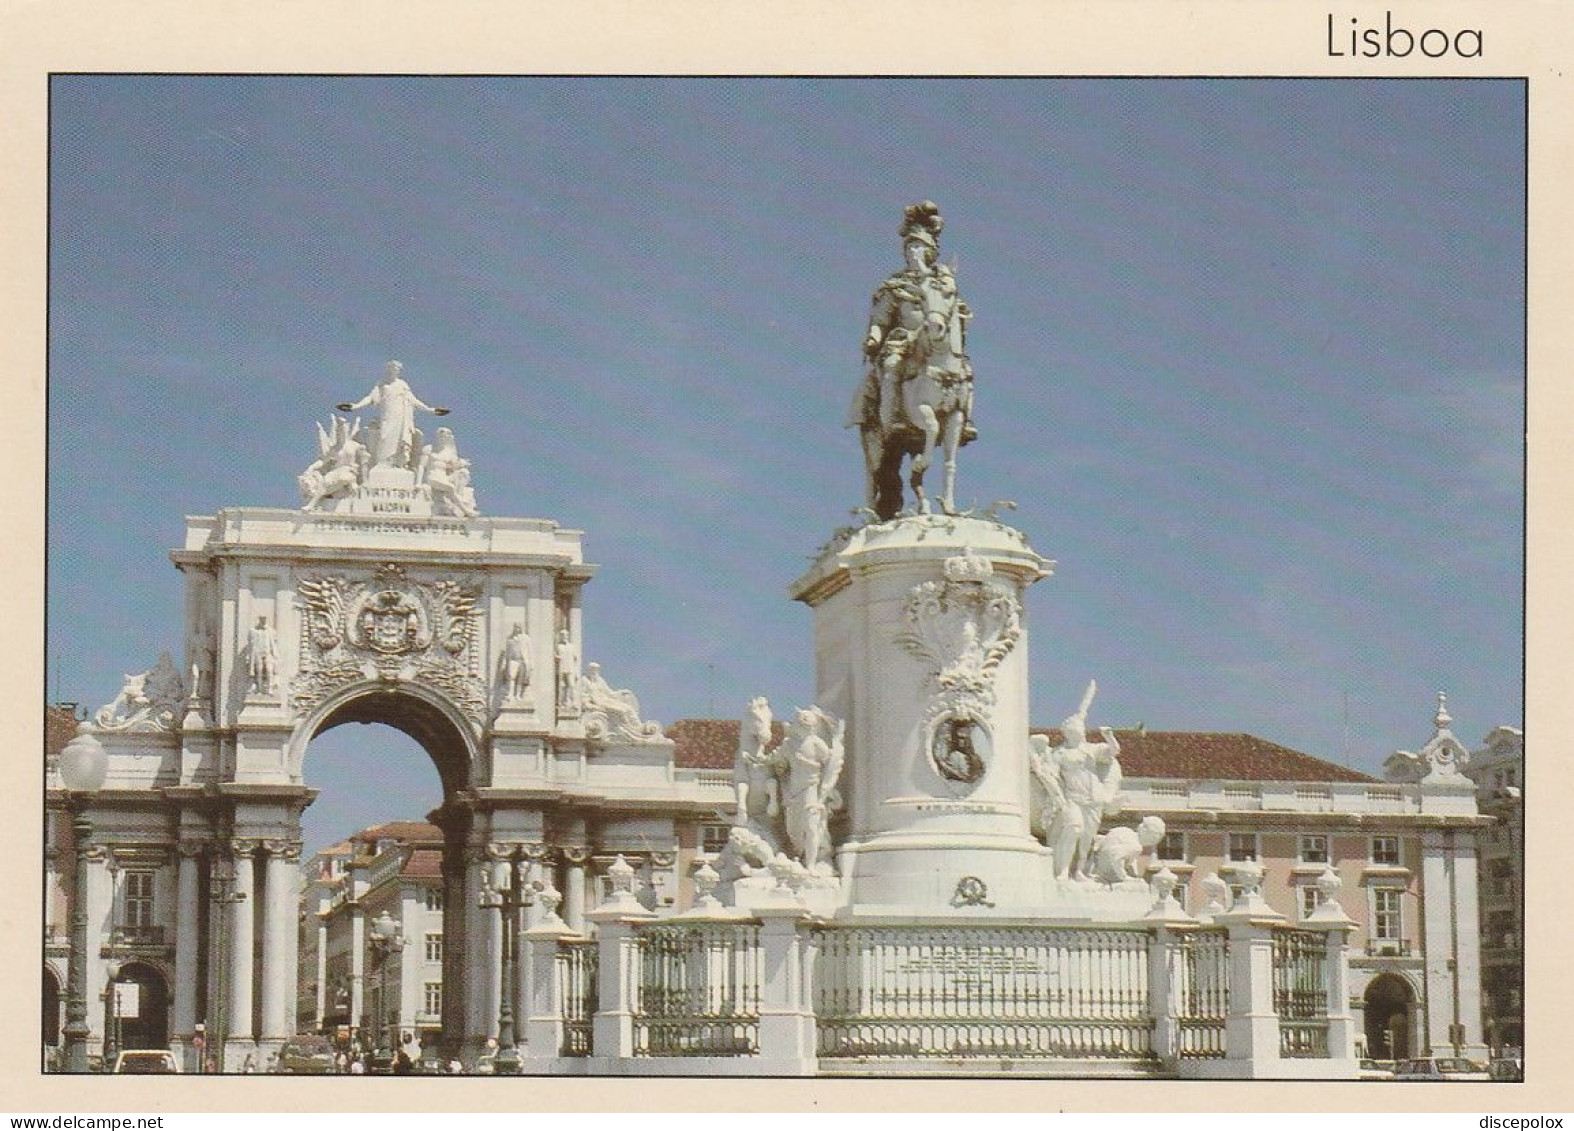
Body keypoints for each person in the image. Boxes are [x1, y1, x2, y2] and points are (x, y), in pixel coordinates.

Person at [337, 360, 449, 471]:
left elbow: (414, 401)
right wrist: (355, 406)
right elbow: (370, 398)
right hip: (387, 415)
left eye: (397, 369)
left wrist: (431, 410)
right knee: (384, 437)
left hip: (401, 417)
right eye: (392, 369)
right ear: (388, 369)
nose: (394, 371)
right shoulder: (382, 384)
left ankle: (398, 464)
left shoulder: (402, 385)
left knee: (401, 439)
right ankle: (383, 463)